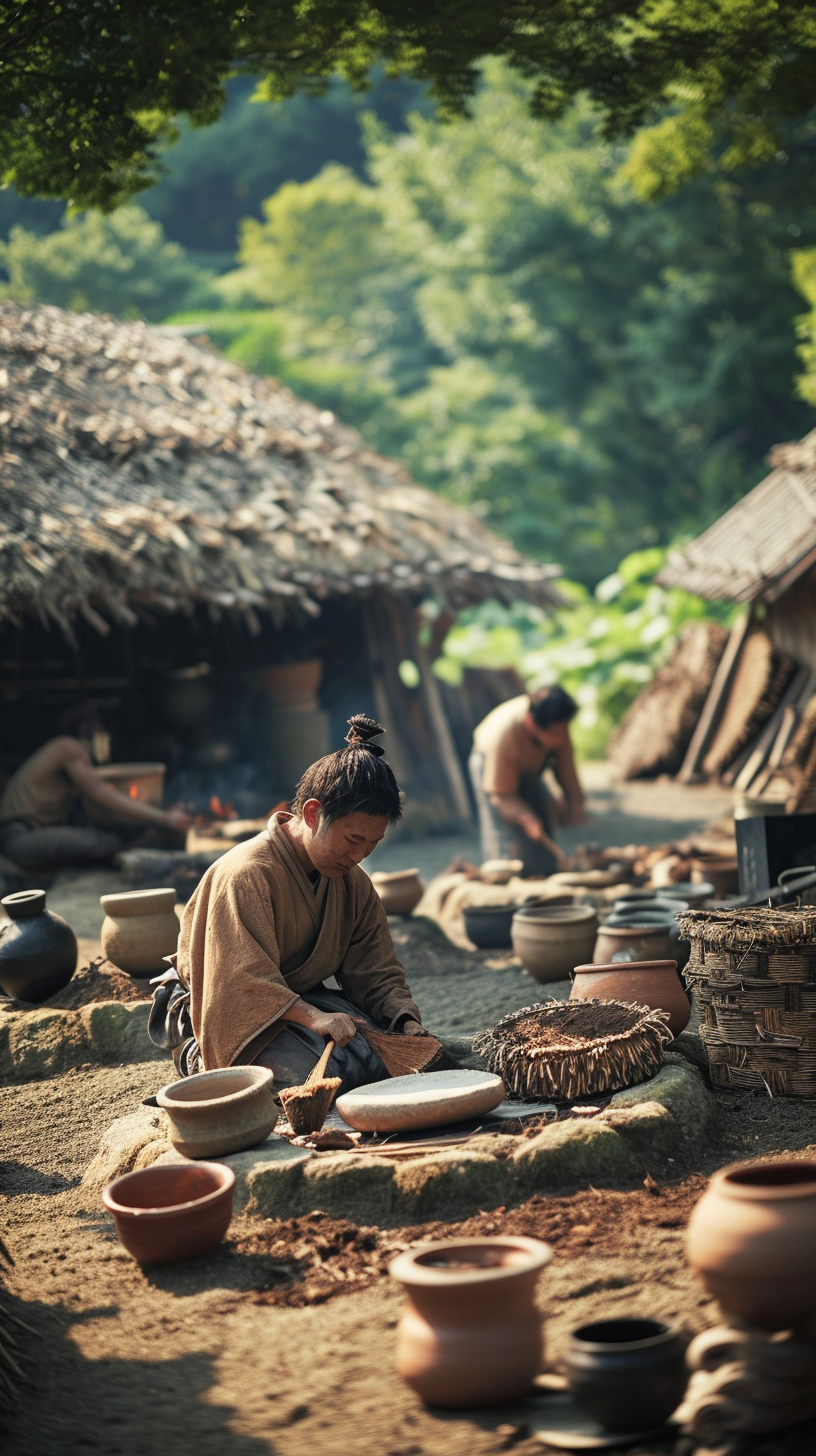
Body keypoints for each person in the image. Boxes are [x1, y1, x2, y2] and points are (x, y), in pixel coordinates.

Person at [164, 715, 427, 1090]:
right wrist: (314, 1017)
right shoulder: (246, 874)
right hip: (226, 1009)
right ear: (312, 813)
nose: (360, 855)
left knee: (378, 1056)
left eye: (373, 844)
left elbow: (376, 970)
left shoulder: (353, 883)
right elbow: (240, 982)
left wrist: (404, 1021)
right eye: (352, 839)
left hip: (298, 1003)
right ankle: (194, 1055)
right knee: (317, 1077)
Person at [0, 720, 192, 871]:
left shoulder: (64, 757)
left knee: (107, 838)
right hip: (20, 838)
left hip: (31, 834)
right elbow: (102, 795)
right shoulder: (68, 748)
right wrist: (164, 818)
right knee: (99, 842)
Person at [469, 685, 587, 878]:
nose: (561, 738)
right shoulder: (504, 735)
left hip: (531, 765)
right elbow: (501, 795)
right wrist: (524, 816)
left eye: (563, 731)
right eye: (555, 733)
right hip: (492, 768)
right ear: (530, 722)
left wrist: (575, 805)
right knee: (505, 833)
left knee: (541, 824)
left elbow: (567, 772)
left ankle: (547, 870)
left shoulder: (557, 725)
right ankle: (504, 879)